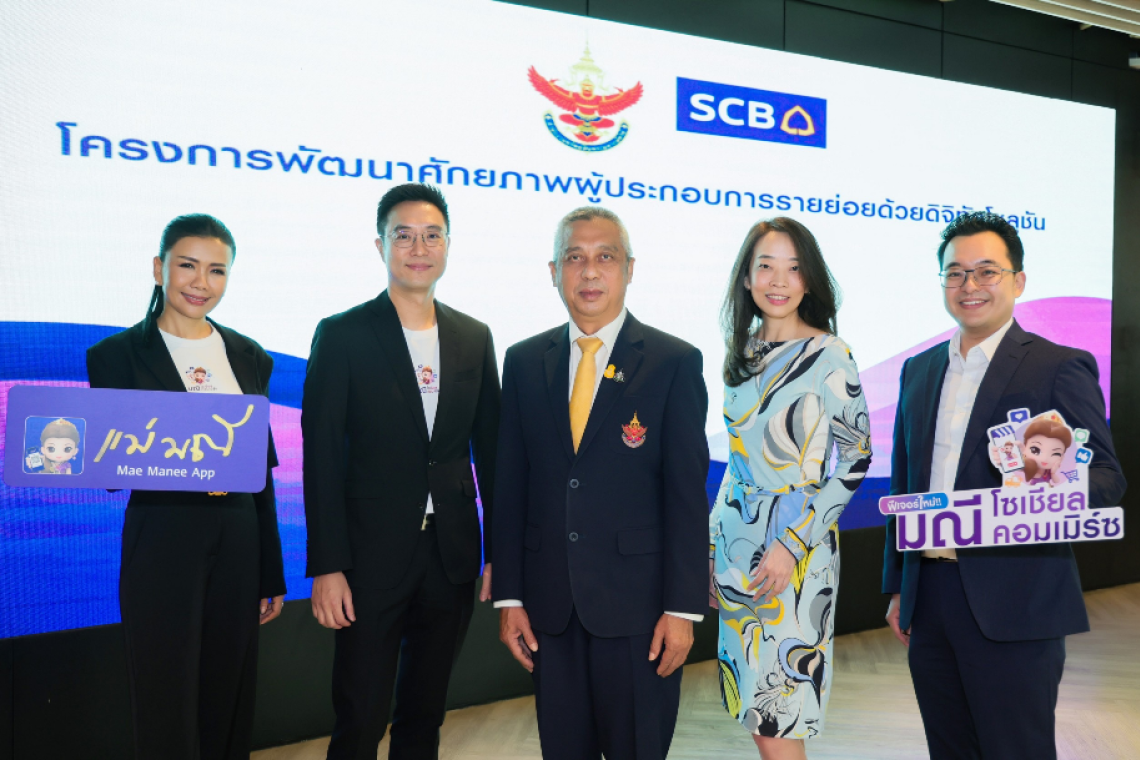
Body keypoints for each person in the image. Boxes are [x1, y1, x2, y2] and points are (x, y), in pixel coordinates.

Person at [882, 211, 1126, 760]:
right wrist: (899, 587)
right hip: (931, 596)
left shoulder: (1057, 366)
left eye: (986, 271)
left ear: (1018, 281)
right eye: (955, 273)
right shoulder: (918, 369)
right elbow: (906, 482)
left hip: (1017, 599)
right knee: (949, 748)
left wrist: (1039, 492)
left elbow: (1108, 478)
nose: (969, 285)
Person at [493, 206, 709, 760]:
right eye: (574, 258)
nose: (589, 271)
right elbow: (509, 486)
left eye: (605, 257)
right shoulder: (523, 362)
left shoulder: (672, 362)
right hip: (550, 612)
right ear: (554, 272)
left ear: (629, 268)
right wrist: (510, 596)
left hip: (641, 614)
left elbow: (687, 496)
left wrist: (682, 609)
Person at [302, 183, 500, 760]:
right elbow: (321, 456)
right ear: (381, 245)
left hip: (451, 556)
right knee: (360, 716)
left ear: (448, 245)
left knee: (424, 714)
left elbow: (491, 454)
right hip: (368, 559)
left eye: (432, 235)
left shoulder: (474, 336)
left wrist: (499, 553)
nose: (419, 248)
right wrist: (328, 565)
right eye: (404, 235)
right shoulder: (343, 334)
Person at [85, 213, 286, 759]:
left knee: (230, 688)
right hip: (162, 533)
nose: (201, 282)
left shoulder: (249, 355)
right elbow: (109, 468)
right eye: (188, 266)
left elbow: (258, 468)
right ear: (159, 269)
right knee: (163, 688)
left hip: (239, 534)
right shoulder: (115, 356)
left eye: (217, 270)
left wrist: (270, 568)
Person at [709, 218, 871, 759]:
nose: (779, 280)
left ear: (809, 279)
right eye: (766, 266)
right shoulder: (741, 352)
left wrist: (792, 544)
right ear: (747, 277)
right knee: (755, 709)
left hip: (796, 554)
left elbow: (855, 458)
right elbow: (736, 464)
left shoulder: (830, 353)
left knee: (780, 710)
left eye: (794, 267)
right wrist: (711, 549)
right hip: (737, 546)